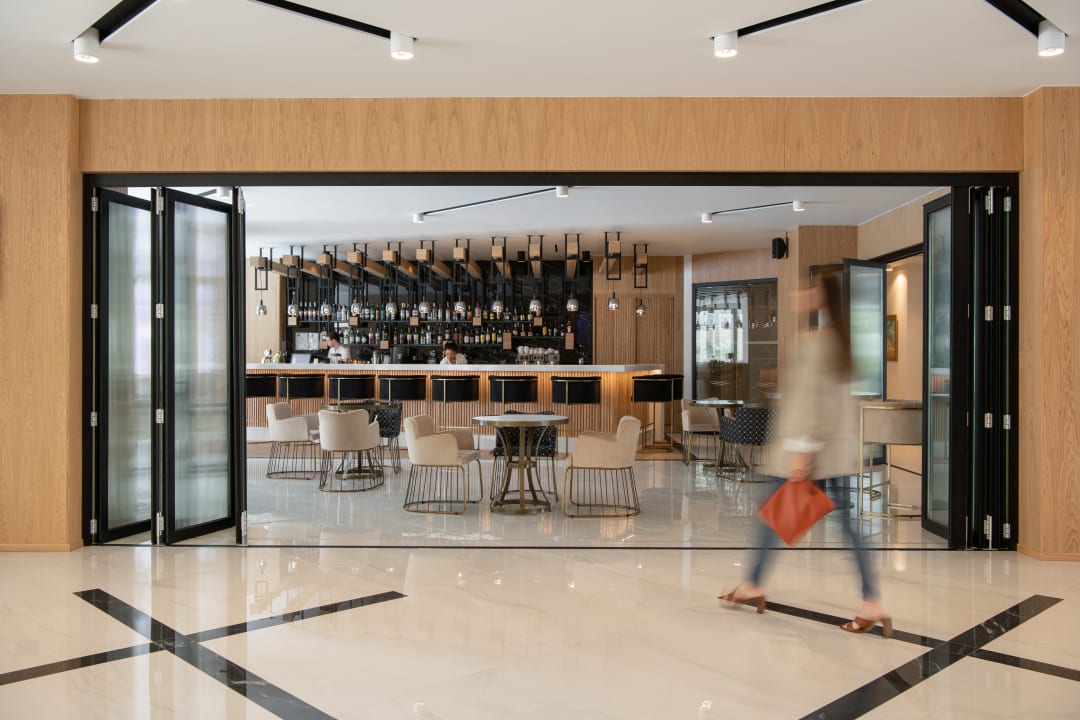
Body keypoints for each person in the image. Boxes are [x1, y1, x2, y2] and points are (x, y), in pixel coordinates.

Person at [721, 271, 891, 637]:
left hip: (808, 455)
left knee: (770, 515)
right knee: (847, 527)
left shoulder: (817, 343)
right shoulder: (840, 341)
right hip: (834, 453)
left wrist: (802, 451)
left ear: (821, 296)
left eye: (808, 288)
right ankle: (871, 601)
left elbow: (811, 402)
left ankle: (752, 583)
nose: (799, 294)